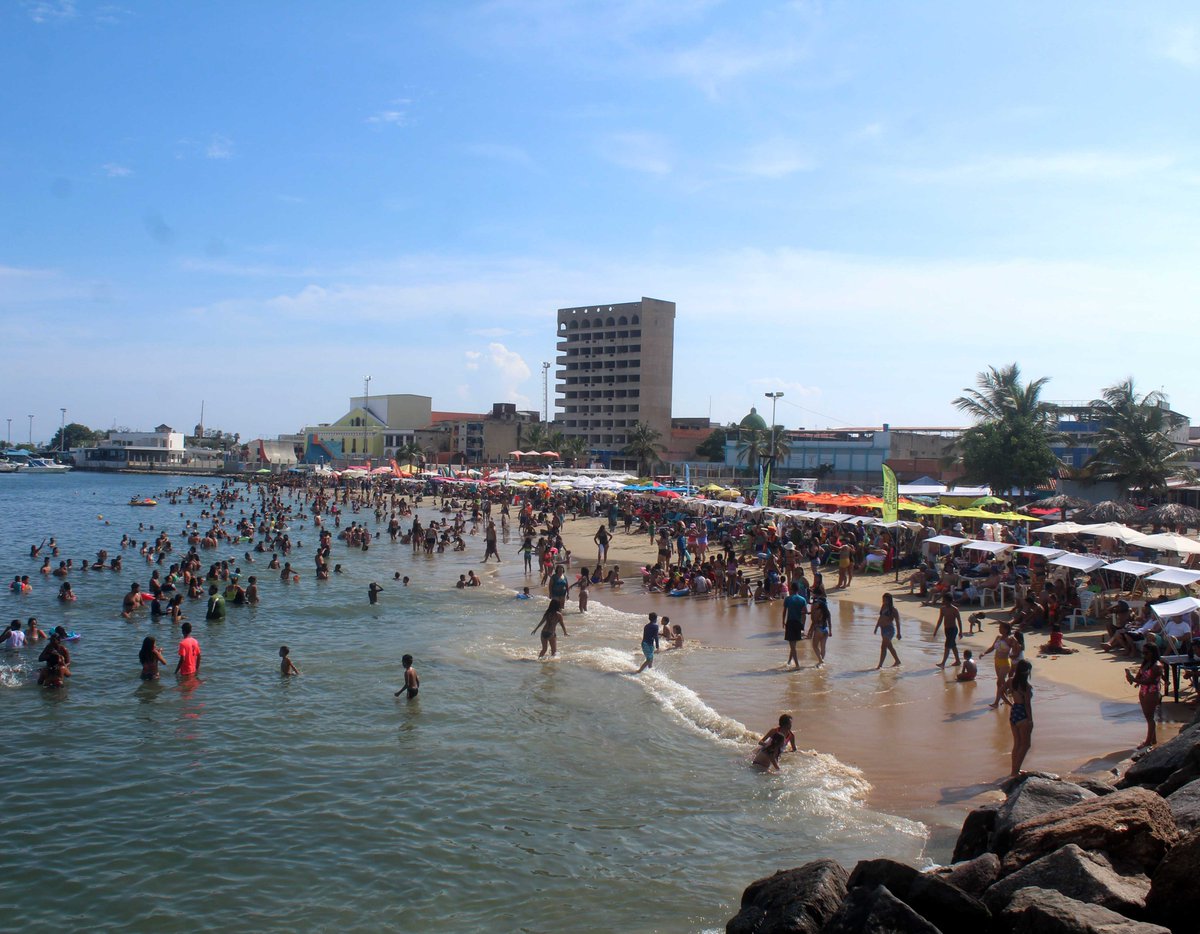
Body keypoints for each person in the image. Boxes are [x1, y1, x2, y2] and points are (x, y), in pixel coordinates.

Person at [1126, 643, 1164, 748]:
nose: (1144, 655)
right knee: (1148, 717)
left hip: (1152, 692)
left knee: (1149, 717)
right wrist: (1131, 678)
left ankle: (1148, 742)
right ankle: (1153, 739)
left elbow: (1150, 681)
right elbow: (1140, 676)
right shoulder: (1146, 663)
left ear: (1153, 653)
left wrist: (1135, 680)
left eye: (1146, 653)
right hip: (1143, 691)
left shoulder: (1157, 666)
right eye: (1143, 653)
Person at [1008, 659, 1034, 778]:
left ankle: (1014, 770)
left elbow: (1001, 691)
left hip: (1014, 712)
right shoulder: (1026, 687)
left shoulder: (1011, 681)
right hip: (1023, 713)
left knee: (1017, 744)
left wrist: (1009, 703)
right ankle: (1015, 771)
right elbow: (1027, 705)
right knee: (1026, 744)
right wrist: (1030, 720)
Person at [982, 622, 1017, 709]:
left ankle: (997, 702)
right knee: (1001, 683)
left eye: (1001, 627)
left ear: (1006, 629)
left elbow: (1017, 650)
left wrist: (1013, 656)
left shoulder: (1010, 639)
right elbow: (992, 647)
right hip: (997, 661)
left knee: (998, 682)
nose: (999, 629)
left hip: (1005, 663)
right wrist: (984, 653)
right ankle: (1009, 694)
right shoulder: (998, 637)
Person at [781, 582, 808, 669]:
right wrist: (802, 625)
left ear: (791, 589)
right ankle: (789, 661)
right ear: (798, 590)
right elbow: (805, 613)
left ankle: (797, 665)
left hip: (790, 623)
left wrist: (783, 621)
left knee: (792, 645)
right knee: (793, 645)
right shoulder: (803, 599)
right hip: (798, 623)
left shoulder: (788, 599)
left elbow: (785, 611)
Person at [933, 594, 962, 669]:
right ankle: (958, 661)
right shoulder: (942, 609)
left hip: (953, 629)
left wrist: (961, 632)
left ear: (949, 601)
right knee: (953, 645)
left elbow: (959, 621)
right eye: (943, 600)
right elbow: (940, 620)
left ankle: (943, 663)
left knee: (947, 646)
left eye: (945, 601)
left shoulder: (955, 609)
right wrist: (936, 630)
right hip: (947, 629)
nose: (943, 602)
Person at [873, 593, 902, 669]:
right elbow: (881, 617)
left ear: (890, 600)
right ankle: (897, 661)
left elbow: (897, 622)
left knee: (883, 647)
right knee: (889, 646)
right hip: (883, 629)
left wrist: (899, 633)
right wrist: (876, 627)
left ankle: (880, 665)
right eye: (883, 600)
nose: (884, 601)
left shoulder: (893, 610)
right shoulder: (883, 607)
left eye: (886, 600)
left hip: (889, 630)